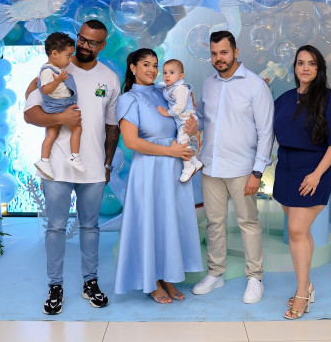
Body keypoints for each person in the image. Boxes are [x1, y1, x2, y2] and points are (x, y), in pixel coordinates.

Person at [23, 19, 121, 315]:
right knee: (55, 227)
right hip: (56, 167)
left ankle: (90, 283)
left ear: (102, 45)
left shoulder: (110, 79)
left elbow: (112, 126)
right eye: (82, 39)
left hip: (93, 168)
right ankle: (55, 286)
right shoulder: (53, 69)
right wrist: (60, 119)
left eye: (93, 42)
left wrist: (107, 164)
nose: (85, 45)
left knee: (91, 227)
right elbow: (30, 114)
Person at [114, 48, 203, 304]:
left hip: (173, 166)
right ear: (133, 68)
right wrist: (169, 151)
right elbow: (131, 142)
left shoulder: (165, 93)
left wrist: (193, 127)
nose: (152, 70)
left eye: (155, 65)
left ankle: (167, 276)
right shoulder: (128, 99)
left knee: (169, 222)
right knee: (149, 222)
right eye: (146, 64)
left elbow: (184, 123)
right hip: (149, 169)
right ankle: (151, 280)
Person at [192, 30, 274, 304]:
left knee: (248, 223)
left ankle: (255, 278)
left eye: (224, 52)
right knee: (214, 223)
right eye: (214, 53)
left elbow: (266, 132)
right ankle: (215, 273)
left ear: (236, 52)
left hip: (242, 169)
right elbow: (203, 120)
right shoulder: (208, 84)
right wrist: (191, 123)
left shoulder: (255, 85)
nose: (219, 58)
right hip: (211, 168)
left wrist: (257, 172)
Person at [273, 45, 331, 319]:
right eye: (300, 63)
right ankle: (308, 285)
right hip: (286, 169)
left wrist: (317, 174)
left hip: (315, 169)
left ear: (319, 69)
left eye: (312, 63)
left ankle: (302, 293)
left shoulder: (329, 100)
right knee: (301, 233)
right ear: (295, 67)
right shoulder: (284, 99)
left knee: (296, 229)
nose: (305, 68)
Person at [34, 32, 85, 180]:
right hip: (58, 106)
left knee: (52, 135)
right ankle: (74, 156)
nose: (69, 60)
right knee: (76, 128)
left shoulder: (55, 69)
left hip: (59, 105)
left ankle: (44, 160)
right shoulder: (47, 71)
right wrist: (57, 81)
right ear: (54, 53)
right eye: (68, 56)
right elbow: (45, 90)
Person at [157, 58, 203, 182]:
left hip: (186, 119)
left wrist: (167, 113)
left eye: (172, 72)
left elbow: (180, 106)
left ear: (181, 76)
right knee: (184, 141)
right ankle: (195, 162)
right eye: (165, 72)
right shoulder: (170, 87)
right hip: (180, 120)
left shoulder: (181, 89)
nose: (167, 76)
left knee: (182, 142)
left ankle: (188, 167)